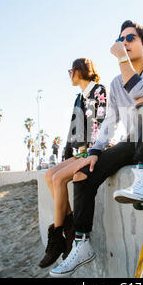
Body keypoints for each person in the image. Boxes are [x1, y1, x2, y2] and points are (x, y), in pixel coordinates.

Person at [49, 20, 143, 277]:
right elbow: (111, 121)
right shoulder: (115, 82)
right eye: (121, 39)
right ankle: (81, 244)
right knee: (83, 175)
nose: (124, 43)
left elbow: (142, 91)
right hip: (134, 142)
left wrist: (122, 61)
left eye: (130, 39)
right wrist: (96, 151)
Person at [39, 58, 108, 269]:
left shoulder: (99, 90)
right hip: (80, 152)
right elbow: (73, 130)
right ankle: (68, 232)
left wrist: (93, 150)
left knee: (59, 178)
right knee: (49, 175)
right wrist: (68, 153)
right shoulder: (79, 97)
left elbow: (104, 123)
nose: (69, 73)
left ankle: (57, 237)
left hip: (97, 149)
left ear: (81, 70)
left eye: (71, 70)